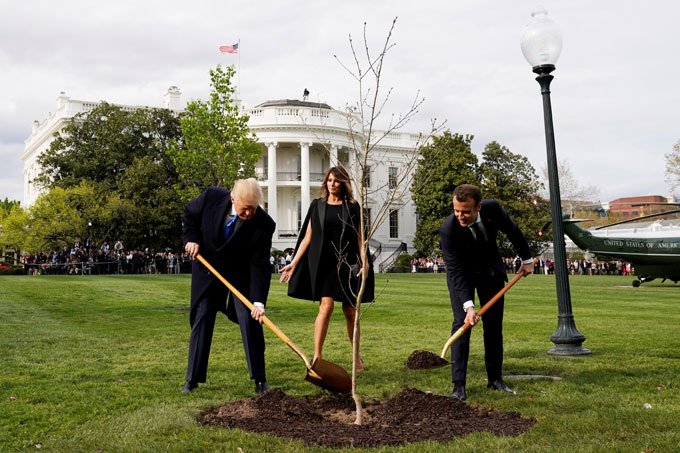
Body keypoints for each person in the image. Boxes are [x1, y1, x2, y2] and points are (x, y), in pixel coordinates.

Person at [181, 178, 275, 394]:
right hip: (207, 269)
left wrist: (258, 301)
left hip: (239, 274)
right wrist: (191, 239)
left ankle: (260, 379)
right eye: (245, 209)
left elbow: (259, 264)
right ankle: (192, 379)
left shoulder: (264, 224)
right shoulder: (211, 197)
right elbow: (190, 214)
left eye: (253, 209)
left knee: (249, 318)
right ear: (233, 199)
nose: (250, 214)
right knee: (202, 315)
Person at [440, 184, 533, 401]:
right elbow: (454, 271)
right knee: (461, 324)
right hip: (462, 274)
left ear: (478, 207)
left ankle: (495, 379)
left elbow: (513, 231)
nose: (460, 216)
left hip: (490, 271)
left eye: (465, 211)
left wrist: (527, 260)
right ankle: (458, 386)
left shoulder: (492, 209)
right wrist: (469, 306)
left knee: (493, 326)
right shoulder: (448, 230)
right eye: (456, 210)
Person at [279, 166, 374, 371]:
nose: (332, 184)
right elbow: (308, 236)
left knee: (350, 312)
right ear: (326, 182)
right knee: (326, 307)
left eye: (336, 180)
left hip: (347, 263)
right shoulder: (318, 205)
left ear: (343, 183)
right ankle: (317, 357)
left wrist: (364, 261)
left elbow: (360, 236)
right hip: (325, 264)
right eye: (329, 180)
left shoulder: (352, 206)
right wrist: (294, 262)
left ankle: (356, 357)